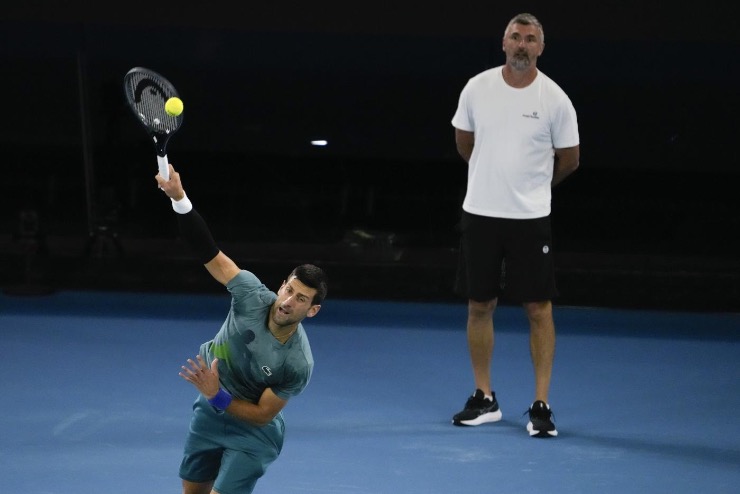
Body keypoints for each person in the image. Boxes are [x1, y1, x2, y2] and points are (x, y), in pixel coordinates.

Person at [156, 164, 328, 493]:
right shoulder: (250, 293)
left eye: (301, 299)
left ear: (312, 310)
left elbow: (263, 414)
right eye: (289, 290)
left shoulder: (297, 363)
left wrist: (215, 394)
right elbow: (209, 252)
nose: (289, 301)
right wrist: (179, 198)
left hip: (254, 434)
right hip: (208, 413)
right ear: (281, 286)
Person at [449, 12, 580, 438]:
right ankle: (483, 397)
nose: (522, 44)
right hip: (480, 214)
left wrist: (534, 187)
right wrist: (491, 178)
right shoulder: (477, 87)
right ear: (504, 43)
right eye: (515, 37)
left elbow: (570, 158)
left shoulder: (556, 99)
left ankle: (541, 405)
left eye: (530, 39)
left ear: (540, 48)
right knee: (479, 305)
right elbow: (465, 142)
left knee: (538, 309)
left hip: (530, 219)